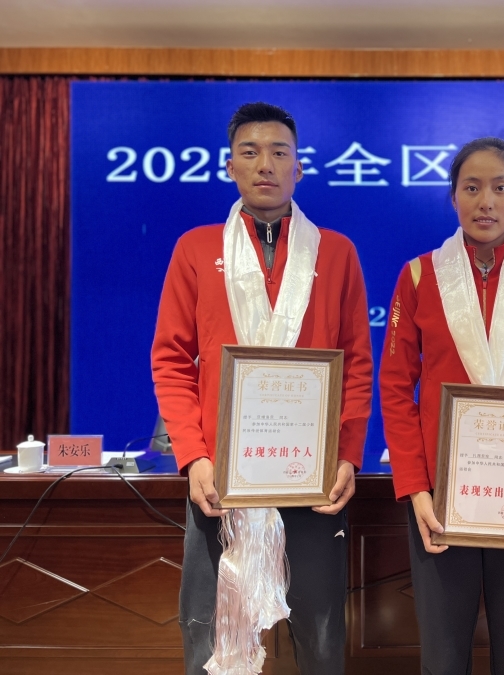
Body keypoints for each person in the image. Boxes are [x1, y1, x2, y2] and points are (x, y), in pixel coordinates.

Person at [151, 102, 372, 675]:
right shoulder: (195, 249)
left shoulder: (337, 252)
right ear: (230, 166)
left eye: (279, 152)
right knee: (210, 640)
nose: (265, 165)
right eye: (250, 153)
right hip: (221, 482)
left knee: (321, 644)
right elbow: (171, 360)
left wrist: (347, 456)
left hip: (312, 480)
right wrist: (194, 457)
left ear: (300, 168)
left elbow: (356, 366)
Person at [379, 137, 504, 675]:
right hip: (441, 498)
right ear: (453, 198)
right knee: (443, 658)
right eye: (471, 188)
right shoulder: (419, 276)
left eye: (500, 187)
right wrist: (416, 488)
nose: (486, 201)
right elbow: (396, 388)